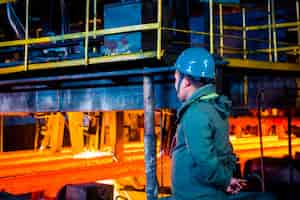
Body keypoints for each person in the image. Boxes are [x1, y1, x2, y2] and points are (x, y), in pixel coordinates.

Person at [168, 47, 245, 200]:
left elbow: (204, 158)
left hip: (197, 195)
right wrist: (226, 179)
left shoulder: (195, 113)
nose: (174, 84)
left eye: (175, 79)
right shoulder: (213, 106)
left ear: (187, 82)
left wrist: (225, 180)